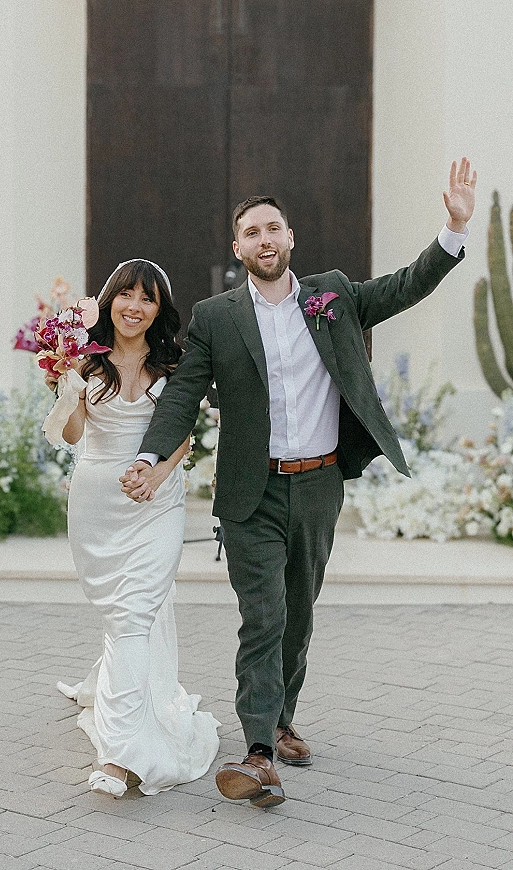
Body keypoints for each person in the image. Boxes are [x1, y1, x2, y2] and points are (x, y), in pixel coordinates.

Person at [122, 159, 477, 807]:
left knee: (298, 614)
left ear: (290, 239)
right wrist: (150, 455)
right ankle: (258, 753)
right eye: (251, 231)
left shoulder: (333, 295)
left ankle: (282, 720)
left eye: (273, 228)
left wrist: (452, 230)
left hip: (317, 487)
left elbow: (405, 286)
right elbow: (184, 397)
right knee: (264, 615)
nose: (264, 239)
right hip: (249, 494)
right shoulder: (216, 317)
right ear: (237, 248)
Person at [49, 259, 219, 798]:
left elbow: (182, 434)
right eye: (126, 296)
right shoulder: (87, 361)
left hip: (155, 502)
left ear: (158, 310)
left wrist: (158, 473)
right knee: (120, 613)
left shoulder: (173, 364)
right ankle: (112, 686)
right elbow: (75, 435)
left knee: (133, 613)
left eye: (147, 299)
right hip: (97, 503)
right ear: (108, 301)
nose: (134, 307)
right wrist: (67, 385)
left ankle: (120, 755)